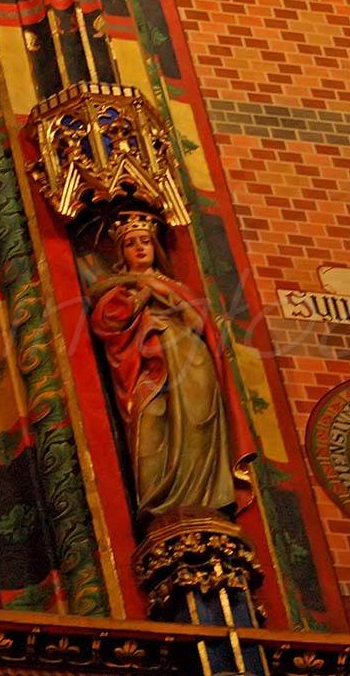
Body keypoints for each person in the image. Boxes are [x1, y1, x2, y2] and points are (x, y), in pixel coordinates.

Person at [88, 211, 255, 523]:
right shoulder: (118, 289)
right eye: (131, 244)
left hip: (192, 363)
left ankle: (203, 501)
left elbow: (199, 324)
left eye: (145, 241)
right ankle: (158, 503)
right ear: (122, 253)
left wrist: (165, 294)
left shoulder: (176, 287)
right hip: (148, 366)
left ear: (156, 247)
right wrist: (143, 292)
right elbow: (107, 323)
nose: (140, 248)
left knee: (198, 425)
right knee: (150, 419)